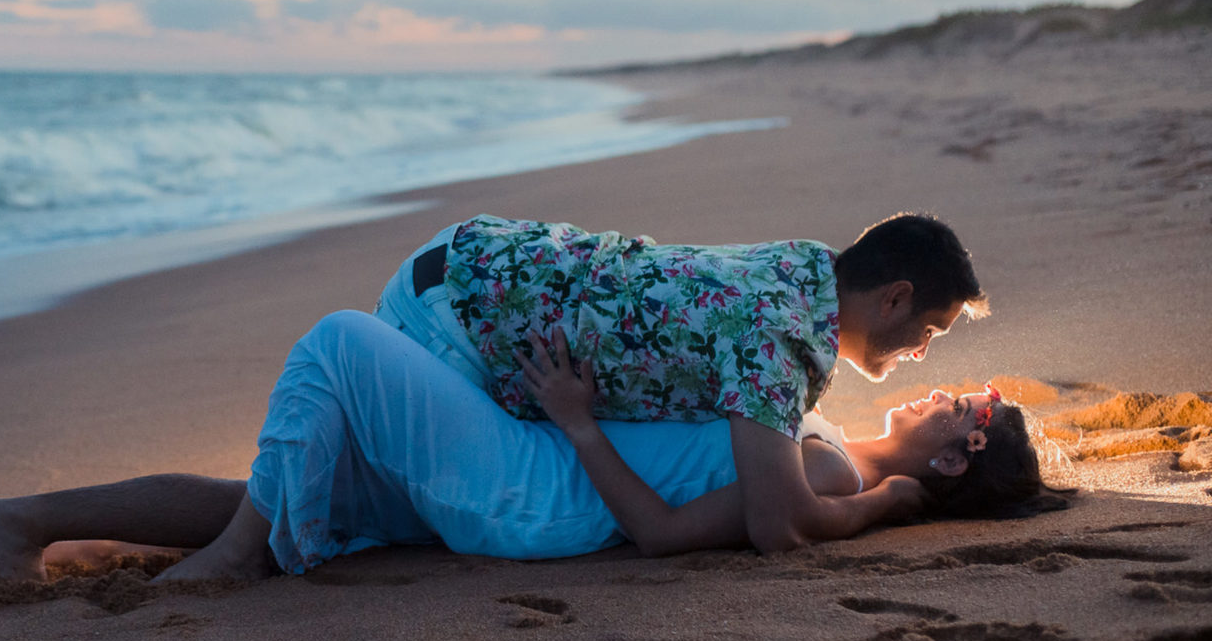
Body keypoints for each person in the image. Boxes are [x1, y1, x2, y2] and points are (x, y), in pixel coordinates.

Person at [0, 310, 1053, 583]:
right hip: (526, 468)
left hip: (538, 495)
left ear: (955, 457)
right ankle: (25, 521)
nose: (952, 387)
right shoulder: (816, 430)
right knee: (286, 480)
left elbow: (662, 532)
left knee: (339, 342)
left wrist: (576, 420)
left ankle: (237, 556)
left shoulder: (825, 472)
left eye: (968, 407)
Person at [370, 211, 989, 553]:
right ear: (894, 298)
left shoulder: (804, 267)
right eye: (928, 330)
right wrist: (884, 499)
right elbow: (781, 528)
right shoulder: (782, 339)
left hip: (479, 255)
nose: (921, 352)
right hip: (454, 315)